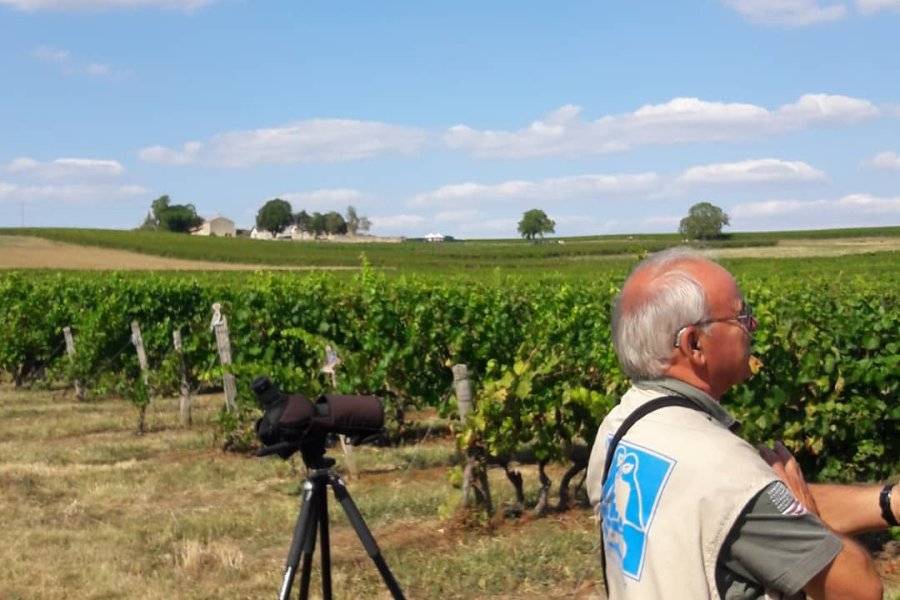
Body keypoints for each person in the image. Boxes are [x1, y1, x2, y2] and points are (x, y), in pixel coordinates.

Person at [585, 247, 895, 599]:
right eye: (741, 317)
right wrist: (811, 520)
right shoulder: (721, 465)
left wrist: (890, 502)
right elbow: (860, 589)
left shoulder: (622, 426)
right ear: (694, 343)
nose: (754, 326)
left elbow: (753, 510)